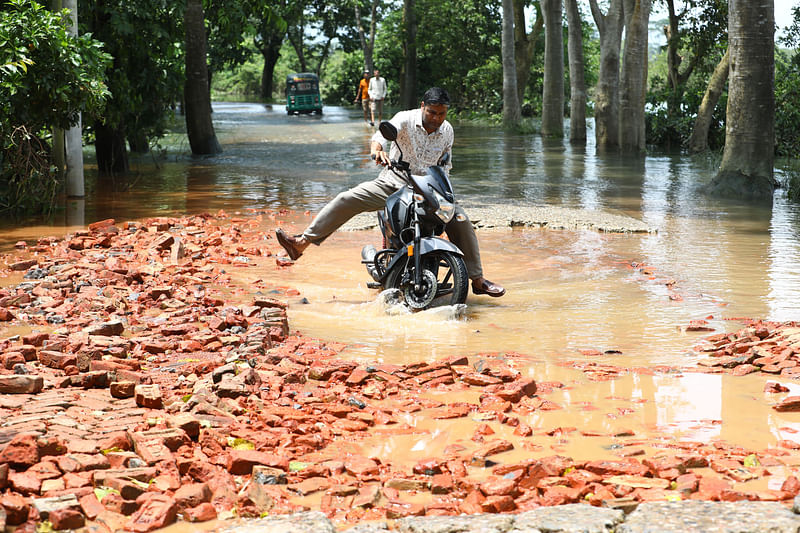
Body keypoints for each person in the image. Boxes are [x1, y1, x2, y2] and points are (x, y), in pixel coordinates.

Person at [276, 87, 505, 298]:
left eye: (442, 114)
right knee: (347, 198)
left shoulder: (447, 131)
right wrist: (377, 151)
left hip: (428, 189)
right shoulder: (405, 119)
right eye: (432, 112)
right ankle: (301, 243)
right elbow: (379, 137)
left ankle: (477, 279)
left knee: (460, 218)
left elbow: (445, 165)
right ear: (422, 106)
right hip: (393, 182)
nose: (436, 118)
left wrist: (446, 194)